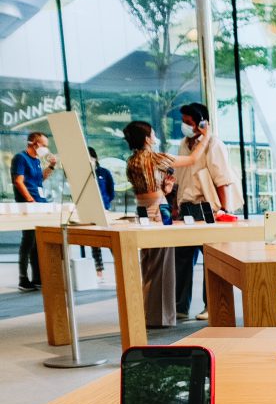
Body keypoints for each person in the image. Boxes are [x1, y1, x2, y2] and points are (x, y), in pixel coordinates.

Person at [123, 120, 208, 328]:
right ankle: (159, 317)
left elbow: (146, 190)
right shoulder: (155, 158)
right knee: (163, 264)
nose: (154, 137)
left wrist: (165, 190)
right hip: (158, 212)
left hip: (142, 210)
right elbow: (192, 159)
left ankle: (148, 312)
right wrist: (206, 137)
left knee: (150, 264)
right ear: (147, 139)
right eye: (152, 134)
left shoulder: (131, 161)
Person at [174, 102, 241, 321]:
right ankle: (180, 306)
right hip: (186, 207)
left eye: (188, 122)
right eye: (183, 121)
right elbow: (180, 179)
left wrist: (224, 210)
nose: (185, 125)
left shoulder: (214, 144)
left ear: (202, 123)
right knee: (182, 258)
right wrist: (176, 206)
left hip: (207, 208)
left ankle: (211, 305)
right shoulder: (183, 145)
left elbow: (222, 179)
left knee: (212, 259)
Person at [10, 131, 57, 292]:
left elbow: (39, 179)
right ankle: (23, 279)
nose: (46, 148)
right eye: (44, 145)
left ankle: (37, 278)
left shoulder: (36, 160)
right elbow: (18, 181)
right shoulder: (20, 158)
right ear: (35, 144)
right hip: (29, 205)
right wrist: (30, 200)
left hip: (40, 204)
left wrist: (51, 166)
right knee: (28, 240)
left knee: (37, 242)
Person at [87, 146, 116, 281]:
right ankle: (99, 270)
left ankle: (119, 265)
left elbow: (111, 191)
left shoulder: (104, 172)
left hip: (105, 210)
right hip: (90, 211)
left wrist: (106, 202)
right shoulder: (84, 174)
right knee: (95, 243)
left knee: (111, 240)